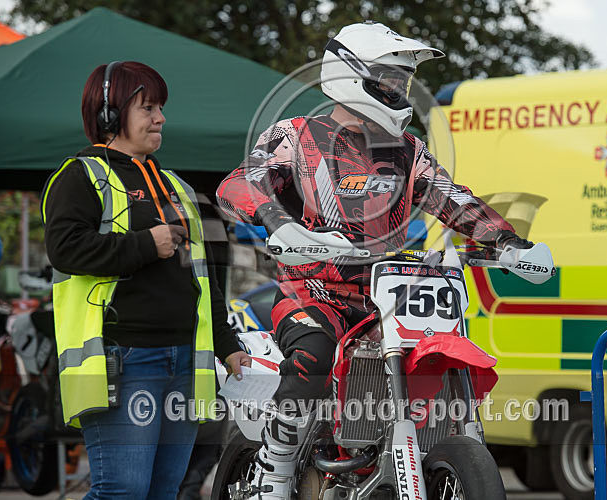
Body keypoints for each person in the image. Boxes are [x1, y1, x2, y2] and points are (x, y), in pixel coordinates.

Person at [216, 22, 533, 498]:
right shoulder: (298, 136)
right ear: (350, 75)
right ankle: (275, 469)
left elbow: (452, 198)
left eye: (402, 82)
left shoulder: (407, 152)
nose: (398, 90)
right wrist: (280, 223)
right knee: (314, 353)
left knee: (440, 363)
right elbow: (239, 183)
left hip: (389, 301)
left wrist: (508, 243)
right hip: (310, 293)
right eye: (388, 78)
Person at [41, 61, 250, 499]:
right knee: (123, 491)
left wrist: (229, 346)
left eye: (161, 108)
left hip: (185, 361)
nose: (161, 118)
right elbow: (65, 250)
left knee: (162, 492)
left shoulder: (175, 186)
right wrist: (143, 245)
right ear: (109, 115)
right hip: (124, 358)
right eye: (148, 108)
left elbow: (200, 278)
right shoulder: (79, 176)